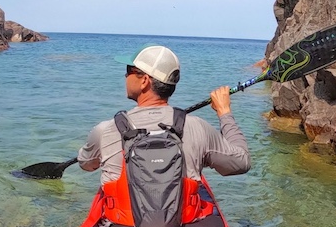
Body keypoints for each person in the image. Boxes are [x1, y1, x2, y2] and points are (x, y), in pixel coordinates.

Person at [78, 44, 250, 190]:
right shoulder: (198, 128)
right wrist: (224, 112)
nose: (125, 76)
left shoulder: (105, 130)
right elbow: (241, 163)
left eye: (129, 71)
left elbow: (86, 164)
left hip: (122, 218)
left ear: (144, 80)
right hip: (179, 219)